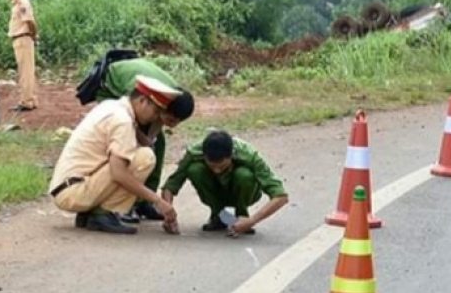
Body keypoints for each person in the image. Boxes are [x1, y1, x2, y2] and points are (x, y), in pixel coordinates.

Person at [49, 76, 182, 234]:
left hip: (67, 187)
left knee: (137, 155)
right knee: (145, 158)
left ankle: (91, 212)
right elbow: (118, 173)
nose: (156, 117)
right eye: (155, 111)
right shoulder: (122, 121)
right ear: (142, 101)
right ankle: (104, 212)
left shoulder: (112, 106)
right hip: (73, 191)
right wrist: (157, 201)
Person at [95, 58, 195, 223]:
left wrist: (150, 140)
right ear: (163, 108)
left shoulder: (172, 97)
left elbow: (154, 133)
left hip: (141, 91)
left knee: (158, 143)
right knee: (130, 144)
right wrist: (145, 141)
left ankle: (144, 200)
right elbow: (131, 122)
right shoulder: (142, 95)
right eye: (170, 120)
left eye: (177, 122)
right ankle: (125, 204)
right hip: (111, 88)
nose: (173, 125)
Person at [161, 130, 289, 237]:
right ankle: (219, 216)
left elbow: (281, 196)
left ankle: (242, 216)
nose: (217, 171)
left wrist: (252, 221)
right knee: (195, 170)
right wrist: (168, 214)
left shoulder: (248, 155)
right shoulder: (194, 153)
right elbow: (171, 184)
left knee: (244, 175)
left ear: (231, 155)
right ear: (204, 156)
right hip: (214, 193)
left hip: (243, 192)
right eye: (212, 166)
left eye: (222, 166)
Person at [2, 0, 38, 112]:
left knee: (25, 71)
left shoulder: (22, 2)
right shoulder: (16, 3)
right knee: (26, 70)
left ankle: (26, 101)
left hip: (23, 37)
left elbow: (30, 21)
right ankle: (31, 98)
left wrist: (34, 34)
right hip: (19, 38)